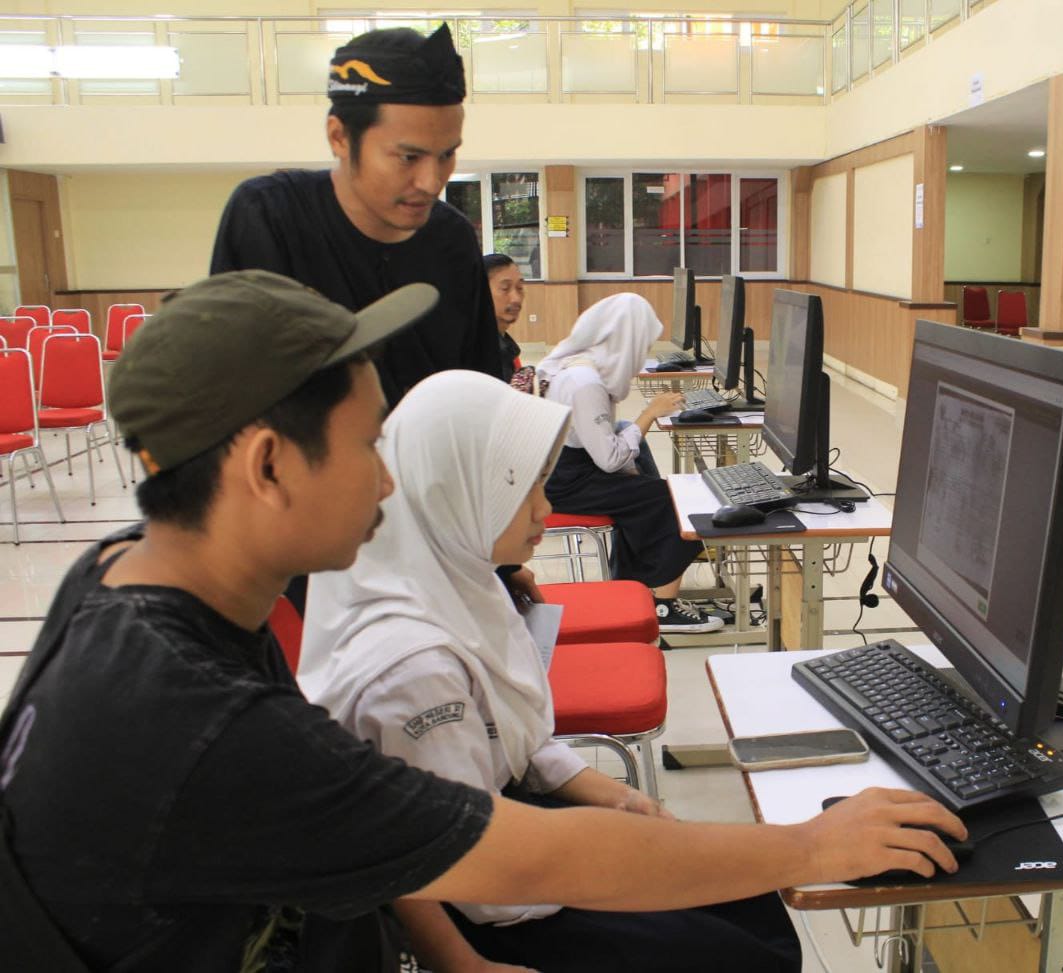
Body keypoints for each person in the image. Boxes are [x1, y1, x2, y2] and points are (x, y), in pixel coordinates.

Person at [0, 270, 967, 972]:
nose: (390, 480)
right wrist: (810, 847)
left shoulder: (123, 579)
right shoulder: (205, 726)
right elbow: (529, 860)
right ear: (266, 467)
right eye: (364, 446)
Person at [298, 370, 802, 972]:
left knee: (748, 904)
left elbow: (512, 741)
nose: (547, 507)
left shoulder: (461, 579)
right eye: (525, 488)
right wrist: (621, 868)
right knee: (740, 952)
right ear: (458, 490)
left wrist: (609, 795)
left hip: (502, 834)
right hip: (491, 911)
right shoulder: (413, 670)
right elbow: (479, 887)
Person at [210, 24, 502, 407]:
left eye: (447, 154)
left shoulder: (452, 238)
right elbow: (231, 391)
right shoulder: (270, 217)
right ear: (340, 137)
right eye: (409, 157)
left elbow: (479, 384)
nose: (432, 182)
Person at [538, 293, 722, 634]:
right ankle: (663, 607)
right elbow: (609, 460)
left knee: (646, 491)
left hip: (563, 470)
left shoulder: (578, 364)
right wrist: (648, 416)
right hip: (568, 482)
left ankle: (635, 585)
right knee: (678, 502)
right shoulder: (585, 384)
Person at [484, 253, 527, 384]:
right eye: (505, 288)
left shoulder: (507, 348)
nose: (516, 298)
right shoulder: (479, 354)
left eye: (519, 288)